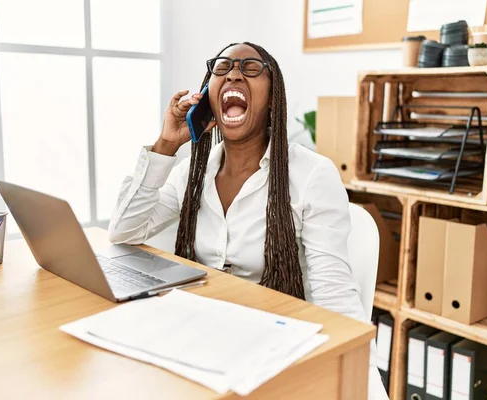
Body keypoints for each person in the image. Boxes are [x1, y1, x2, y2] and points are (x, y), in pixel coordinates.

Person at [108, 42, 386, 398]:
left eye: (251, 68)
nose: (234, 73)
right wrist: (165, 143)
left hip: (273, 347)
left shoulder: (311, 175)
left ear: (273, 99)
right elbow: (123, 230)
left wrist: (367, 388)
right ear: (208, 98)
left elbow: (336, 297)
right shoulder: (192, 172)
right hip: (200, 339)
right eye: (222, 68)